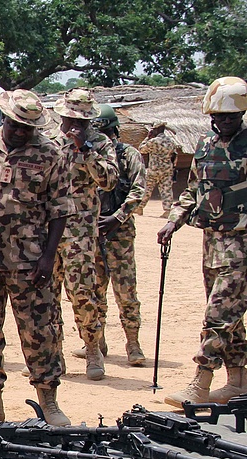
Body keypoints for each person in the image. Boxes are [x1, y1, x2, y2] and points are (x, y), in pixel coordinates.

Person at [0, 90, 72, 427]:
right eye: (17, 124)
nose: (22, 131)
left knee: (39, 333)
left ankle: (48, 401)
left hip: (29, 262)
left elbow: (60, 210)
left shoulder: (51, 154)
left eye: (28, 127)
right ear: (4, 118)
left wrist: (48, 258)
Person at [159, 76, 247, 408]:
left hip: (242, 244)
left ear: (241, 114)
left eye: (230, 116)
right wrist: (173, 220)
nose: (223, 121)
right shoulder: (205, 145)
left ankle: (201, 382)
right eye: (217, 116)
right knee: (231, 317)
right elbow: (193, 189)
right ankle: (238, 383)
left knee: (218, 315)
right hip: (213, 242)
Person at [51, 88, 119, 380]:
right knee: (46, 294)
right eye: (71, 119)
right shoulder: (48, 141)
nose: (76, 124)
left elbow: (109, 181)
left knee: (82, 292)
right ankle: (53, 353)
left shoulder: (100, 143)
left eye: (82, 120)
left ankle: (92, 348)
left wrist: (86, 148)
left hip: (80, 230)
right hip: (47, 229)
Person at [88, 104, 148, 366]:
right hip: (93, 232)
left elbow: (139, 190)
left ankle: (133, 343)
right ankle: (96, 342)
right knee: (94, 291)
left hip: (120, 233)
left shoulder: (129, 155)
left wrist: (117, 217)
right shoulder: (90, 156)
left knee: (126, 291)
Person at [137, 121, 178, 216]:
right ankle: (168, 210)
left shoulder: (153, 141)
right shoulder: (171, 142)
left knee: (147, 189)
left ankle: (140, 207)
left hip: (153, 170)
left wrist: (147, 137)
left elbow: (141, 149)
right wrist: (173, 167)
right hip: (167, 170)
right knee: (166, 190)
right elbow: (174, 155)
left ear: (157, 130)